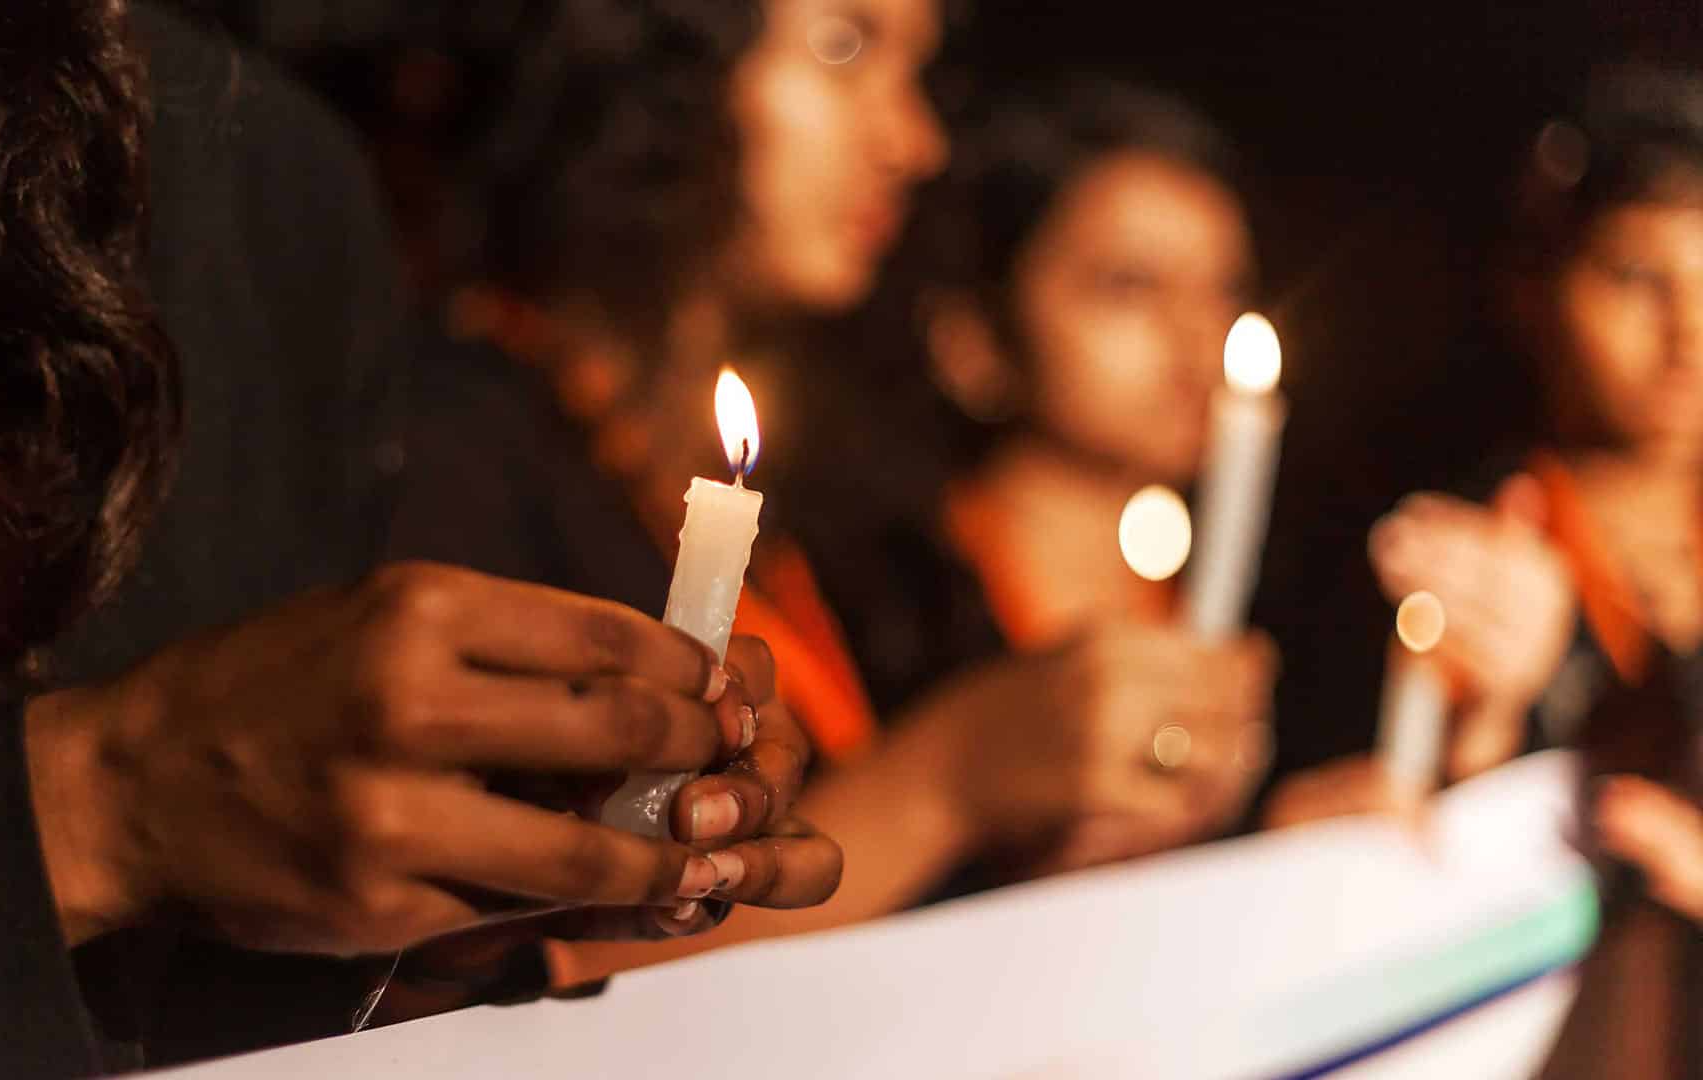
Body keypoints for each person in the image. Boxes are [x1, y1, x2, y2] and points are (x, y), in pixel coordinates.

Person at [0, 3, 836, 1074]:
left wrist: (434, 919)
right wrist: (87, 813)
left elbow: (218, 1020)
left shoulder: (252, 178)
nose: (914, 142)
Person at [392, 4, 1272, 990]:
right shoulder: (449, 447)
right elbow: (468, 976)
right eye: (846, 46)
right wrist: (949, 777)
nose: (917, 142)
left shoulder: (821, 509)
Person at [1255, 64, 1703, 1079]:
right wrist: (1484, 736)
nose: (1686, 330)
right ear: (1533, 291)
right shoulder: (1452, 560)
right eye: (1636, 278)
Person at [904, 76, 1276, 867]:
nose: (1199, 334)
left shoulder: (1248, 608)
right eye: (1129, 286)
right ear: (972, 340)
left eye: (1225, 289)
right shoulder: (882, 618)